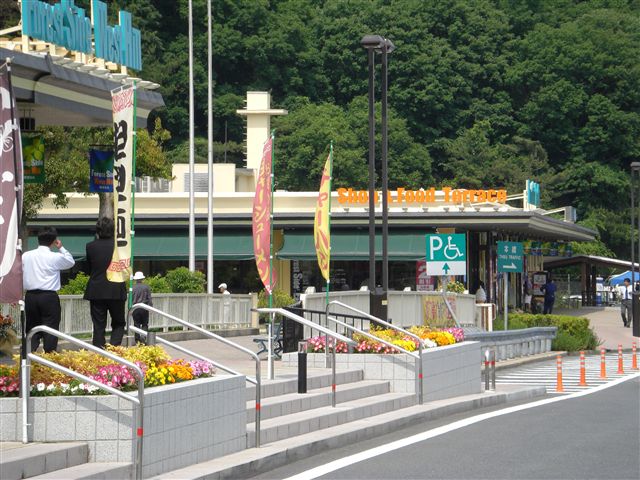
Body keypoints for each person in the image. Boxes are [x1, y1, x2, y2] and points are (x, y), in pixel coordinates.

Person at [22, 226, 75, 353]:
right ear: (53, 241)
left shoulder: (26, 256)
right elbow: (70, 262)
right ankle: (49, 357)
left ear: (38, 239)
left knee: (31, 328)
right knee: (50, 329)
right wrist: (61, 247)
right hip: (49, 297)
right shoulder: (55, 257)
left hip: (30, 296)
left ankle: (27, 357)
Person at [83, 218, 127, 349]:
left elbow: (89, 268)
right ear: (113, 230)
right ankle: (114, 349)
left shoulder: (90, 246)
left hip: (96, 289)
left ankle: (99, 352)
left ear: (97, 230)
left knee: (98, 325)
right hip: (116, 288)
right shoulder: (119, 247)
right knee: (118, 323)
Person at [131, 271, 153, 343]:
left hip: (135, 308)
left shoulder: (132, 287)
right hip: (144, 307)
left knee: (136, 324)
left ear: (135, 279)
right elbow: (149, 298)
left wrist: (130, 309)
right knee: (145, 324)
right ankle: (143, 337)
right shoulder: (146, 287)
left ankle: (137, 340)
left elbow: (130, 299)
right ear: (142, 279)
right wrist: (151, 308)